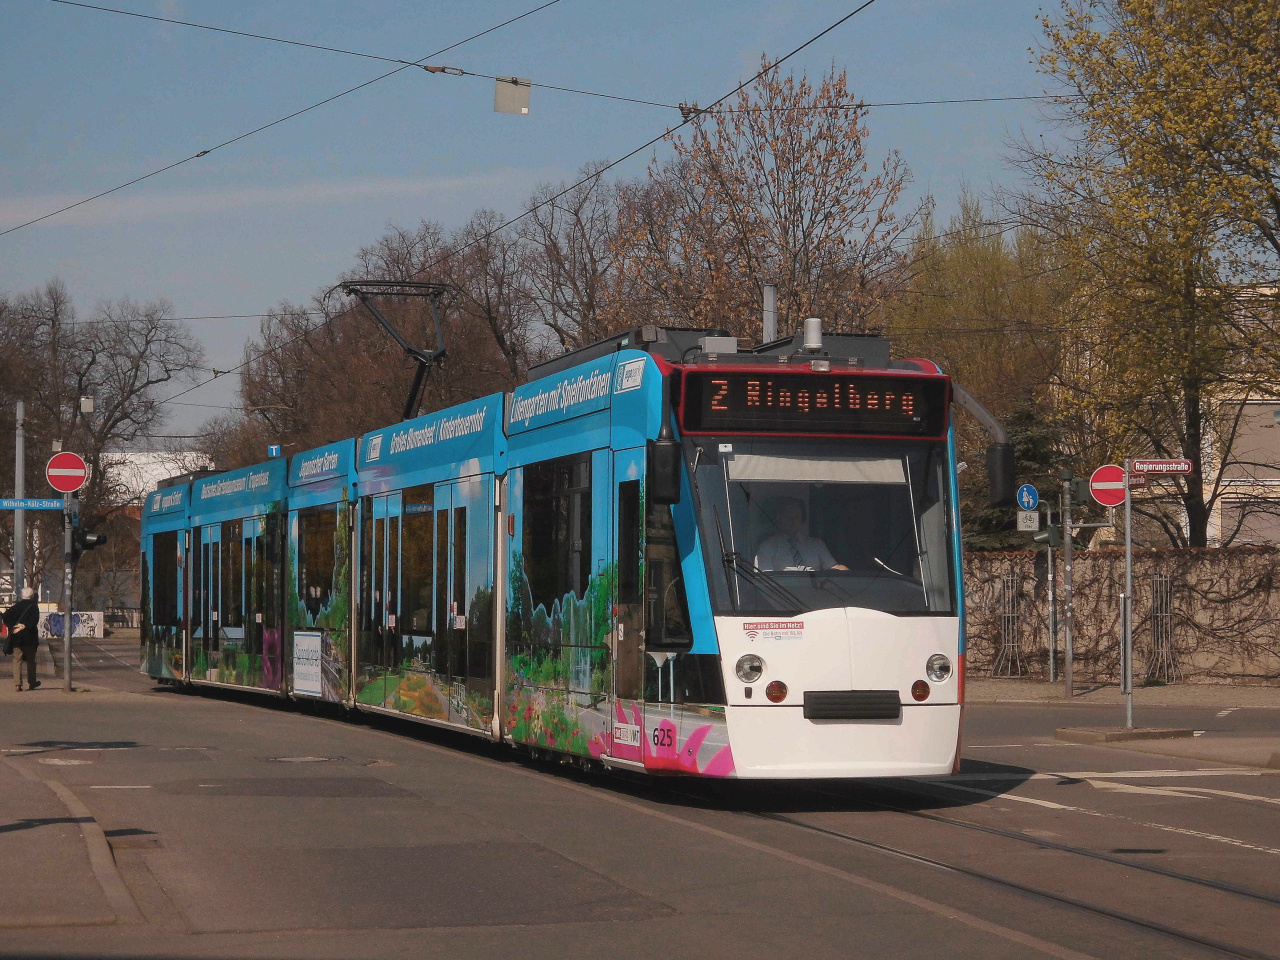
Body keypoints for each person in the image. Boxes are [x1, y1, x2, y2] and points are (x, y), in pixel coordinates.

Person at [754, 497, 848, 573]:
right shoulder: (767, 547)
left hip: (816, 593)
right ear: (779, 518)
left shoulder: (816, 544)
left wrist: (845, 572)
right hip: (783, 594)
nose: (793, 521)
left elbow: (833, 568)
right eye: (789, 517)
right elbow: (765, 580)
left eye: (797, 517)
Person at [4, 587, 42, 692]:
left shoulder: (16, 607)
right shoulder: (34, 607)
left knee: (17, 660)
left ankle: (17, 684)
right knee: (31, 661)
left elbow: (5, 617)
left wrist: (14, 626)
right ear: (32, 596)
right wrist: (25, 626)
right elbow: (35, 621)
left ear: (21, 596)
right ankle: (32, 682)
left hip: (17, 638)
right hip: (30, 638)